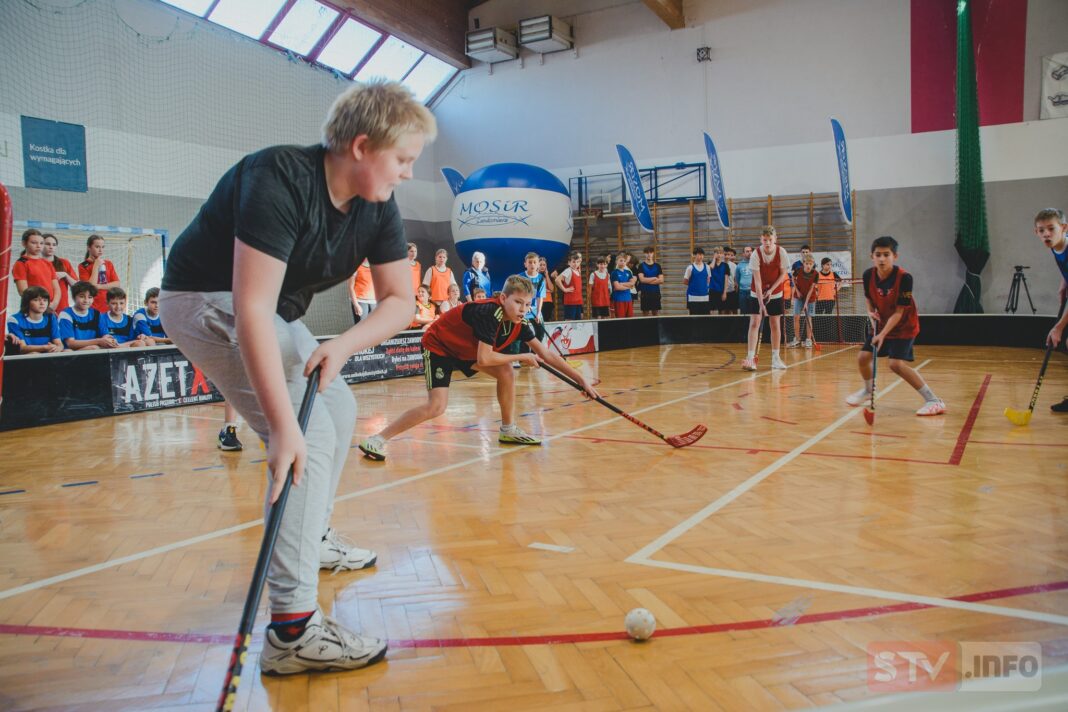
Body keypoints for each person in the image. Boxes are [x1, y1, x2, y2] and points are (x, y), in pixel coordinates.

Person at [159, 80, 435, 675]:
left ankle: (315, 537)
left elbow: (398, 302)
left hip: (270, 314)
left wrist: (344, 344)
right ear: (362, 146)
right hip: (203, 299)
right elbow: (251, 306)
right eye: (404, 160)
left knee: (336, 411)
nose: (409, 174)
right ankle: (291, 630)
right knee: (306, 438)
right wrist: (282, 430)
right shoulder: (280, 177)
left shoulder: (377, 206)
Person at [357, 275, 599, 460]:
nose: (523, 309)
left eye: (527, 304)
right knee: (437, 406)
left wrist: (581, 380)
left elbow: (546, 354)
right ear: (503, 299)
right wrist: (522, 356)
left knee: (505, 372)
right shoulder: (489, 313)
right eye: (517, 302)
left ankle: (507, 429)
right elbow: (484, 360)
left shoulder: (520, 322)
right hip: (439, 345)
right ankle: (377, 439)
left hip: (465, 349)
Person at [845, 236, 944, 415]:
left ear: (895, 256)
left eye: (886, 254)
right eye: (878, 255)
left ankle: (934, 400)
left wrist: (882, 335)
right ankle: (868, 390)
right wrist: (870, 311)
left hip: (904, 326)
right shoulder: (868, 275)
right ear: (871, 256)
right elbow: (869, 297)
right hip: (881, 323)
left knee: (895, 365)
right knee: (862, 358)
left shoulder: (905, 278)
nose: (882, 259)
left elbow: (899, 312)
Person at [1034, 208, 1068, 412]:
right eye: (1041, 230)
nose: (1046, 233)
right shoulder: (1057, 246)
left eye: (1051, 229)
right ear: (1035, 232)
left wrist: (1058, 327)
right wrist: (1064, 282)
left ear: (1064, 228)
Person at [742, 226, 789, 371]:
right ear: (761, 240)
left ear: (775, 239)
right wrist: (761, 303)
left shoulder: (781, 252)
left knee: (775, 323)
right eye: (764, 240)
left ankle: (775, 358)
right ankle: (751, 358)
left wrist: (771, 290)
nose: (767, 243)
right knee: (755, 322)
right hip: (757, 292)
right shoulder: (756, 254)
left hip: (776, 292)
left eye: (770, 240)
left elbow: (782, 275)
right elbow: (757, 280)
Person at [12, 229, 61, 312]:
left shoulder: (47, 263)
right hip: (32, 309)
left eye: (41, 243)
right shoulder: (21, 263)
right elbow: (23, 291)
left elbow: (56, 288)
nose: (38, 246)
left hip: (49, 307)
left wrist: (53, 304)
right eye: (34, 243)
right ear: (24, 243)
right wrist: (40, 305)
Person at [59, 282, 116, 350]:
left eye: (90, 297)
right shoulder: (66, 314)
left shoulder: (97, 314)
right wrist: (98, 341)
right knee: (93, 348)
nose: (86, 300)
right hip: (71, 351)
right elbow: (70, 343)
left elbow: (105, 335)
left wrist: (109, 340)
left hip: (93, 349)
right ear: (74, 297)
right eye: (82, 296)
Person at [5, 286, 62, 354]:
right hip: (26, 357)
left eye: (45, 300)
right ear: (27, 302)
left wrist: (57, 348)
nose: (42, 303)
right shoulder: (14, 320)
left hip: (48, 354)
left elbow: (59, 344)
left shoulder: (51, 317)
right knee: (34, 354)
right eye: (36, 300)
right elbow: (22, 348)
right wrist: (45, 347)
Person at [77, 235, 120, 313]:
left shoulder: (108, 263)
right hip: (93, 305)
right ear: (89, 247)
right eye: (97, 247)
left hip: (108, 304)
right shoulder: (83, 266)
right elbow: (90, 287)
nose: (100, 250)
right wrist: (96, 266)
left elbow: (117, 283)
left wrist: (100, 286)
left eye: (102, 247)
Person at [789, 255, 820, 347]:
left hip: (810, 298)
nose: (808, 266)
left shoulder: (816, 274)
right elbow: (793, 279)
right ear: (803, 263)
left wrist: (806, 303)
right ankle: (797, 339)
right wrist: (797, 291)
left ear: (813, 264)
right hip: (799, 296)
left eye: (810, 264)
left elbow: (811, 289)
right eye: (807, 263)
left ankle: (808, 340)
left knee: (808, 318)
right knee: (796, 317)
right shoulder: (798, 270)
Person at [42, 234, 76, 314]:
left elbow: (77, 286)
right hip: (43, 306)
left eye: (54, 245)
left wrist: (66, 275)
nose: (51, 247)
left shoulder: (64, 263)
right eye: (47, 244)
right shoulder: (36, 264)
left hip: (62, 307)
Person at [555, 251, 584, 320]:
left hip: (578, 301)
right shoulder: (568, 270)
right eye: (573, 262)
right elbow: (557, 280)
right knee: (569, 322)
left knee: (578, 322)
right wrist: (564, 289)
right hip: (570, 302)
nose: (575, 264)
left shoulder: (577, 271)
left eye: (577, 262)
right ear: (569, 262)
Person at [636, 246, 664, 316]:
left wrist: (647, 280)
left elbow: (661, 280)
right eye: (647, 253)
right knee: (645, 313)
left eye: (650, 253)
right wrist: (654, 278)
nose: (649, 254)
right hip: (645, 293)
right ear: (644, 254)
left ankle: (655, 327)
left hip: (655, 292)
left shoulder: (657, 266)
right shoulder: (641, 266)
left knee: (655, 313)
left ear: (653, 253)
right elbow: (642, 280)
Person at [683, 247, 711, 315]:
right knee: (693, 320)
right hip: (693, 298)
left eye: (702, 254)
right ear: (694, 255)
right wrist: (695, 284)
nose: (700, 256)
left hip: (704, 297)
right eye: (699, 254)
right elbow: (685, 281)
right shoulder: (690, 268)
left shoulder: (707, 267)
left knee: (705, 319)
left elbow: (708, 280)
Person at [349, 258, 377, 325]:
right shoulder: (356, 268)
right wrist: (356, 305)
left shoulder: (375, 268)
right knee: (361, 325)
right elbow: (350, 287)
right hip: (360, 301)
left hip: (373, 302)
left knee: (373, 325)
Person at [610, 252, 636, 318]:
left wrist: (622, 284)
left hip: (628, 299)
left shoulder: (628, 272)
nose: (623, 262)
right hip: (619, 299)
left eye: (624, 261)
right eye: (621, 260)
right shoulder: (614, 273)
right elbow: (617, 287)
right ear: (616, 261)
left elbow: (632, 284)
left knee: (629, 319)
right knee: (621, 320)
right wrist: (628, 286)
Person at [708, 248, 729, 314]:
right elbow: (710, 268)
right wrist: (714, 259)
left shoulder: (725, 265)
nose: (719, 255)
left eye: (720, 253)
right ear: (714, 254)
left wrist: (725, 292)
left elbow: (726, 280)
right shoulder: (709, 263)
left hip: (721, 290)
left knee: (722, 310)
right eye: (717, 253)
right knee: (711, 310)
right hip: (712, 290)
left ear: (723, 254)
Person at [735, 245, 753, 316]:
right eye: (747, 251)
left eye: (750, 251)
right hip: (742, 292)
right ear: (743, 254)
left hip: (753, 292)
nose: (749, 253)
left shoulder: (756, 264)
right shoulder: (739, 265)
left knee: (753, 313)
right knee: (743, 313)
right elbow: (737, 278)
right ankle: (744, 327)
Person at [539, 256, 557, 321]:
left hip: (548, 301)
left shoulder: (548, 276)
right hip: (539, 301)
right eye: (540, 265)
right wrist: (545, 290)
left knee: (547, 320)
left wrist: (547, 275)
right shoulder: (535, 276)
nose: (542, 266)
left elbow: (552, 289)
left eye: (544, 265)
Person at [722, 247, 738, 314]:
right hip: (722, 291)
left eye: (728, 254)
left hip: (732, 290)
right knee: (724, 311)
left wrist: (736, 285)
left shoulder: (734, 265)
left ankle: (736, 324)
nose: (727, 256)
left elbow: (735, 278)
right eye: (725, 254)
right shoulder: (719, 264)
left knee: (734, 310)